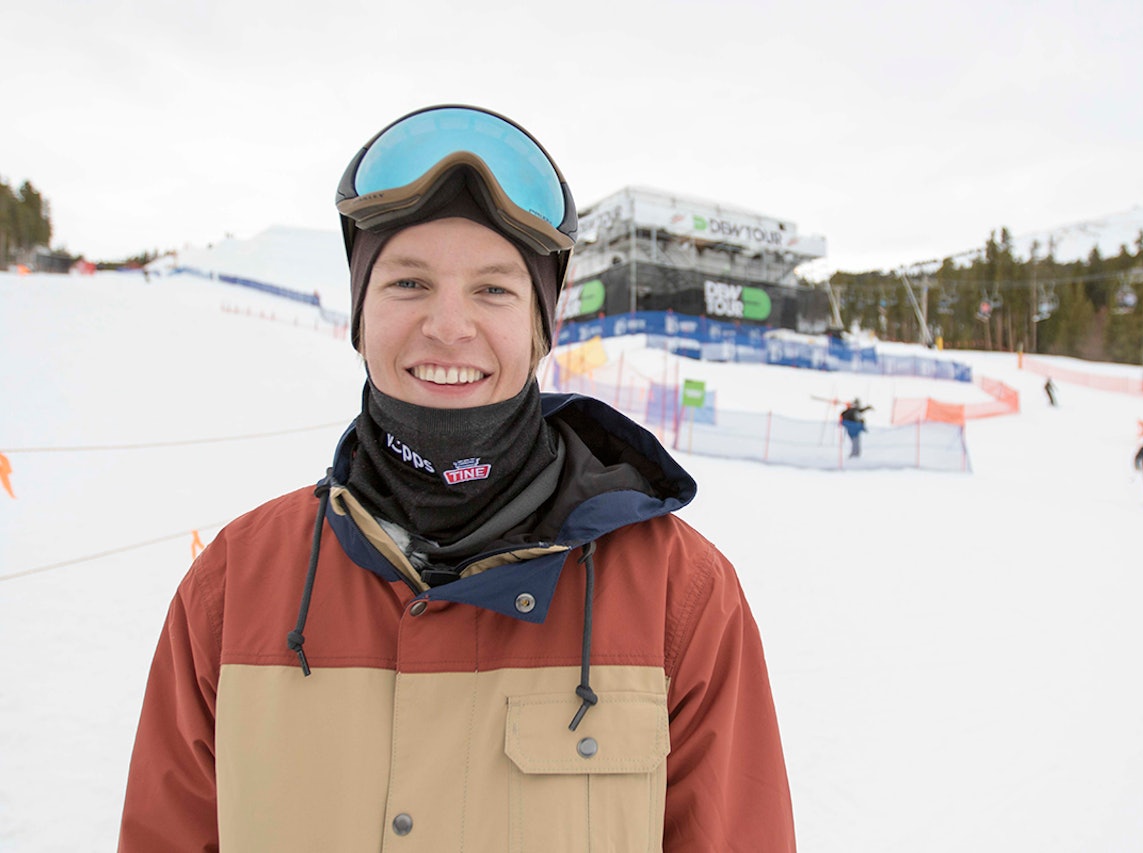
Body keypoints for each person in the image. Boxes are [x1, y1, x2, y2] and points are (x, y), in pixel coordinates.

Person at [118, 104, 794, 852]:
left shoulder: (679, 594)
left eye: (494, 289)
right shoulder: (234, 586)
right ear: (359, 317)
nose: (447, 325)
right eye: (408, 283)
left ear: (543, 327)